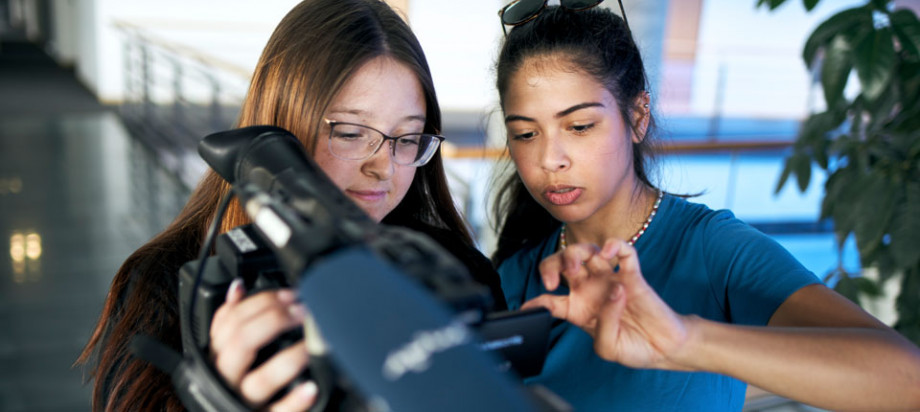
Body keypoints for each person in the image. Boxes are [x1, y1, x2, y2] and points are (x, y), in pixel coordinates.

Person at [76, 1, 505, 411]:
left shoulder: (456, 272)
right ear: (283, 129)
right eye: (351, 133)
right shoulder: (160, 286)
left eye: (407, 138)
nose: (383, 168)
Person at [490, 2, 920, 411]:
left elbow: (908, 381)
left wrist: (685, 342)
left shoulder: (715, 251)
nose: (550, 159)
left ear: (638, 118)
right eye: (526, 134)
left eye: (580, 126)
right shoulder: (516, 274)